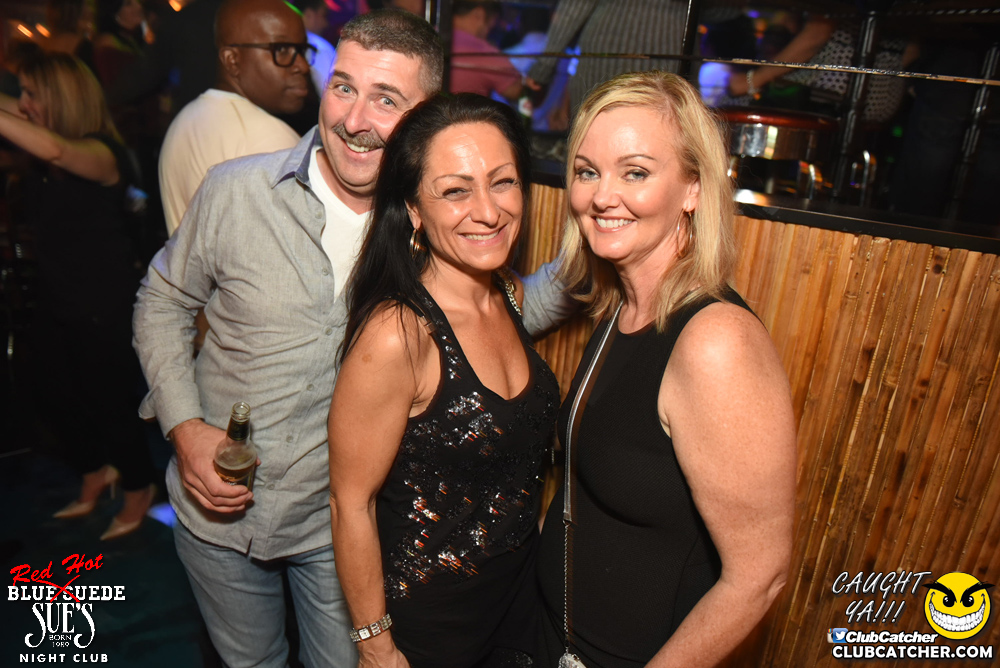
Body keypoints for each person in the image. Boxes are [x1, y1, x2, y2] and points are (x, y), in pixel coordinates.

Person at [133, 9, 569, 668]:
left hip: (335, 529)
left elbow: (493, 317)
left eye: (386, 99)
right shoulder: (236, 192)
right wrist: (184, 426)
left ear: (424, 118)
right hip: (215, 511)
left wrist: (597, 248)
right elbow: (162, 299)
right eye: (343, 87)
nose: (354, 118)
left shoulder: (432, 231)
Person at [535, 71, 797, 667]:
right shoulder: (624, 306)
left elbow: (759, 577)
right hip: (554, 640)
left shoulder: (715, 342)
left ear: (692, 189)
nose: (603, 196)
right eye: (587, 171)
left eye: (635, 172)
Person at [329, 93, 559, 668]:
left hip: (518, 609)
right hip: (431, 632)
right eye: (456, 190)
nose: (488, 211)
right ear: (413, 209)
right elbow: (349, 502)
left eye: (503, 183)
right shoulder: (399, 335)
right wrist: (376, 648)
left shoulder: (508, 293)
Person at [0, 52, 157, 541]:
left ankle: (138, 486)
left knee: (108, 402)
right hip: (56, 296)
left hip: (101, 303)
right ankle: (94, 472)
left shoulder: (101, 153)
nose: (23, 103)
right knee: (50, 393)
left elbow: (54, 150)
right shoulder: (40, 154)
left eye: (32, 94)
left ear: (61, 99)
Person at [158, 0, 312, 235]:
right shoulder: (269, 140)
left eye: (301, 51)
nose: (302, 66)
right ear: (232, 60)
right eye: (281, 49)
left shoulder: (184, 120)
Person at [450, 1, 522, 104]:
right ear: (478, 14)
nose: (489, 32)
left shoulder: (432, 38)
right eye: (492, 24)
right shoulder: (483, 52)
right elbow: (516, 91)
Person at [293, 0, 337, 94]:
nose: (326, 24)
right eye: (323, 15)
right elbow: (327, 93)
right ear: (309, 15)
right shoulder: (319, 47)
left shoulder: (285, 43)